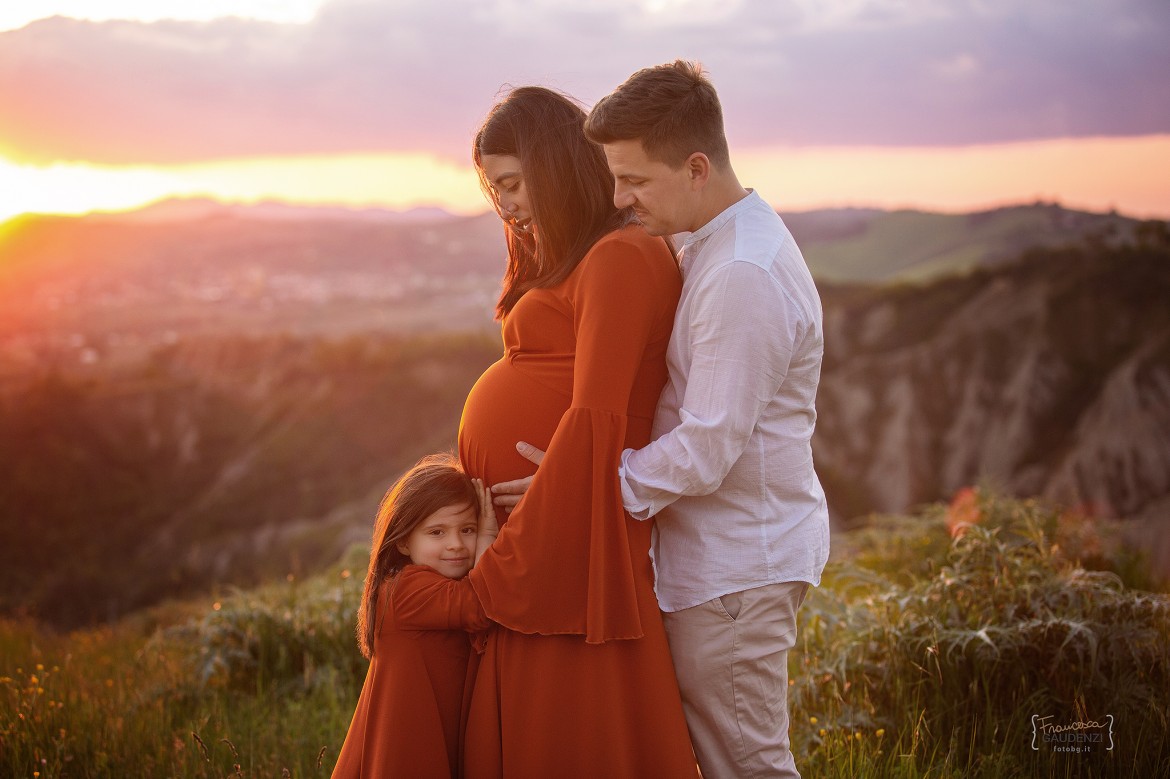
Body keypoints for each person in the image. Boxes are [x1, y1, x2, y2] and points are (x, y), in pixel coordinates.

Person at [586, 59, 831, 779]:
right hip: (723, 566)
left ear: (696, 167)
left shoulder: (741, 273)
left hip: (734, 574)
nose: (619, 197)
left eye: (634, 179)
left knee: (748, 767)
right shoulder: (717, 245)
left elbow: (706, 447)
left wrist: (595, 482)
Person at [455, 86, 697, 778]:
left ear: (555, 166)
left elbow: (599, 416)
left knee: (568, 738)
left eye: (511, 183)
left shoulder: (619, 257)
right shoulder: (590, 256)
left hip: (564, 537)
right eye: (493, 189)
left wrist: (518, 541)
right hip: (543, 524)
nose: (504, 205)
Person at [332, 453, 497, 779]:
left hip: (434, 732)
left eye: (468, 529)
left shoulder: (434, 585)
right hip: (410, 746)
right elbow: (481, 605)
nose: (456, 545)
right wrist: (488, 536)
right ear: (405, 541)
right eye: (437, 533)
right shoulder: (406, 588)